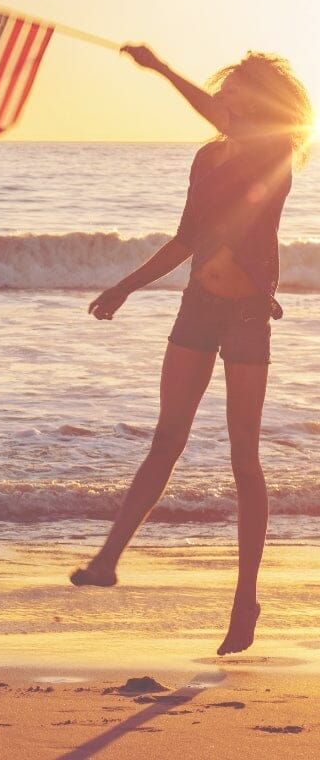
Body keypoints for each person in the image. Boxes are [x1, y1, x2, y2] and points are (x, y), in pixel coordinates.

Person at [74, 43, 312, 658]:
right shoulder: (207, 157)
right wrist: (126, 286)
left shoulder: (276, 152)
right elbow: (186, 238)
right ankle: (107, 560)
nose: (224, 103)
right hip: (196, 309)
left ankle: (245, 600)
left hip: (245, 315)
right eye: (223, 94)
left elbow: (224, 136)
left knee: (244, 461)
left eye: (235, 95)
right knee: (166, 438)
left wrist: (159, 69)